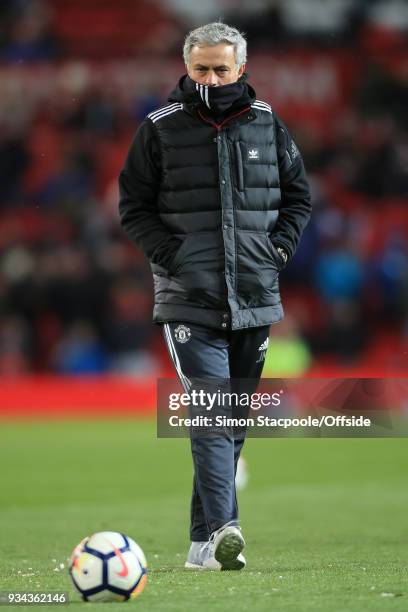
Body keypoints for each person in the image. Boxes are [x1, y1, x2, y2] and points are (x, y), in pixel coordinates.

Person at [119, 22, 311, 571]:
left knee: (233, 423)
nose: (209, 78)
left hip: (254, 292)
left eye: (219, 69)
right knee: (209, 412)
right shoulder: (158, 130)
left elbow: (299, 198)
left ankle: (202, 545)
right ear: (186, 67)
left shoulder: (269, 126)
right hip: (187, 297)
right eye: (199, 69)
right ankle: (228, 527)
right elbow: (133, 206)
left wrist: (276, 252)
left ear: (240, 69)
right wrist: (174, 259)